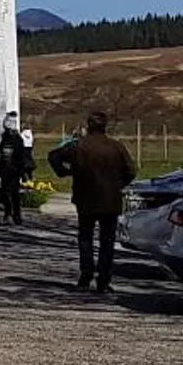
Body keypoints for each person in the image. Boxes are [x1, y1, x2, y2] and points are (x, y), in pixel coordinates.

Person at [61, 111, 136, 292]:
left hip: (85, 198)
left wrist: (66, 172)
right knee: (107, 240)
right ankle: (104, 279)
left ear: (88, 125)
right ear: (105, 126)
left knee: (85, 237)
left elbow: (54, 156)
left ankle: (86, 274)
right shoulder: (116, 147)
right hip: (110, 199)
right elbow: (131, 171)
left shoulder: (79, 146)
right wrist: (118, 184)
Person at [0, 111, 36, 227]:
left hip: (13, 170)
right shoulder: (5, 138)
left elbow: (20, 156)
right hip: (6, 169)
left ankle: (14, 215)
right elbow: (0, 153)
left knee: (12, 193)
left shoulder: (17, 140)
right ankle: (11, 215)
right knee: (7, 193)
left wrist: (21, 171)